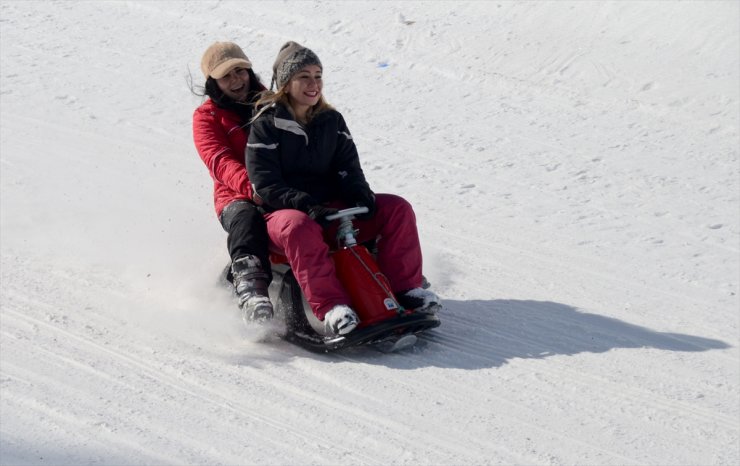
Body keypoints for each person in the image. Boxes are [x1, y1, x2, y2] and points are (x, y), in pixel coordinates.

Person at [246, 41, 440, 336]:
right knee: (300, 227)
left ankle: (406, 288)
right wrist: (306, 204)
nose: (314, 84)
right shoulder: (266, 125)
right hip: (283, 216)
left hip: (329, 210)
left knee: (396, 208)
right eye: (304, 77)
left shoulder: (331, 121)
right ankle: (332, 308)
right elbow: (266, 184)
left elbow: (348, 167)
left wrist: (359, 191)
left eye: (318, 75)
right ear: (286, 83)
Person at [192, 41, 273, 323]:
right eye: (227, 76)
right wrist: (252, 186)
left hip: (283, 188)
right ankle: (252, 292)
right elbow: (219, 160)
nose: (237, 80)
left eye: (241, 71)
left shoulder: (273, 103)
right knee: (248, 219)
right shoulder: (207, 117)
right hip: (235, 196)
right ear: (213, 82)